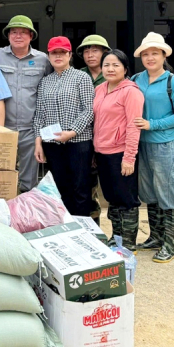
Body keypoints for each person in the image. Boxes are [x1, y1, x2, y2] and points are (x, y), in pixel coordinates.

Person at [132, 32, 174, 263]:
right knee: (150, 194)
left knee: (169, 193)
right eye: (146, 54)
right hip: (142, 145)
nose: (150, 57)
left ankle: (170, 242)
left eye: (155, 53)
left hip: (166, 144)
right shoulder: (136, 79)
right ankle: (155, 236)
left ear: (164, 55)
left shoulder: (173, 82)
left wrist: (151, 124)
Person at [0, 15, 52, 191]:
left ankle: (25, 214)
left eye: (23, 33)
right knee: (1, 176)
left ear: (31, 36)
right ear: (8, 35)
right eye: (14, 32)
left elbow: (48, 90)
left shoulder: (43, 60)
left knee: (29, 181)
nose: (18, 36)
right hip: (3, 127)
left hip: (30, 129)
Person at [33, 37, 95, 217]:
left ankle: (82, 228)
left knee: (80, 188)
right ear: (48, 56)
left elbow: (89, 109)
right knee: (60, 189)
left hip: (78, 142)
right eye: (54, 53)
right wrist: (38, 143)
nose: (58, 56)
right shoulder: (45, 82)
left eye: (62, 52)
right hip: (52, 144)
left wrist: (72, 132)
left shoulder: (81, 78)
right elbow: (40, 114)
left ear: (70, 54)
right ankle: (65, 228)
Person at [92, 49, 144, 251]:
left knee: (127, 199)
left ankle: (128, 242)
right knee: (112, 198)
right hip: (102, 152)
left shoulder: (131, 92)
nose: (110, 69)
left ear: (125, 68)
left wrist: (129, 157)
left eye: (116, 65)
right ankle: (117, 236)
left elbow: (134, 125)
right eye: (106, 65)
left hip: (121, 152)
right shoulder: (100, 89)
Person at [77, 34, 112, 225]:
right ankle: (93, 229)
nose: (90, 55)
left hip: (108, 138)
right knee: (86, 187)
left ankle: (119, 235)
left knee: (111, 186)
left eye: (95, 50)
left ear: (105, 53)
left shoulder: (114, 73)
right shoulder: (77, 74)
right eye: (86, 51)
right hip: (83, 138)